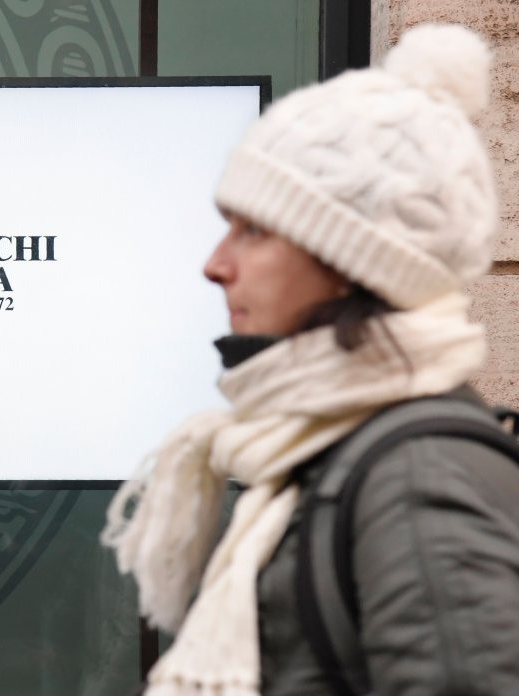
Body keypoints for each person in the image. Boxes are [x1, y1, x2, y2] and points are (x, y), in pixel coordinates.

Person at [102, 24, 519, 696]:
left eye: (255, 230)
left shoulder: (417, 475)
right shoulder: (330, 450)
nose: (216, 265)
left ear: (353, 260)